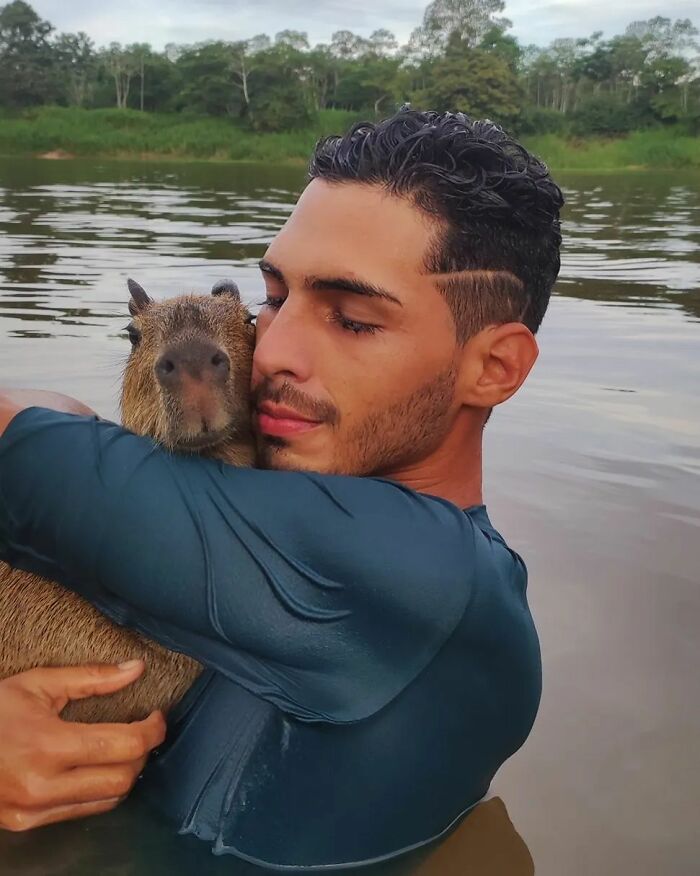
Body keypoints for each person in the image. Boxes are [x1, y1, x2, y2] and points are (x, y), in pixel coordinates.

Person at [0, 110, 563, 870]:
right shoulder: (251, 531)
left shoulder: (419, 577)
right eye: (274, 299)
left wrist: (60, 424)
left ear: (493, 368)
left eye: (355, 320)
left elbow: (26, 446)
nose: (274, 350)